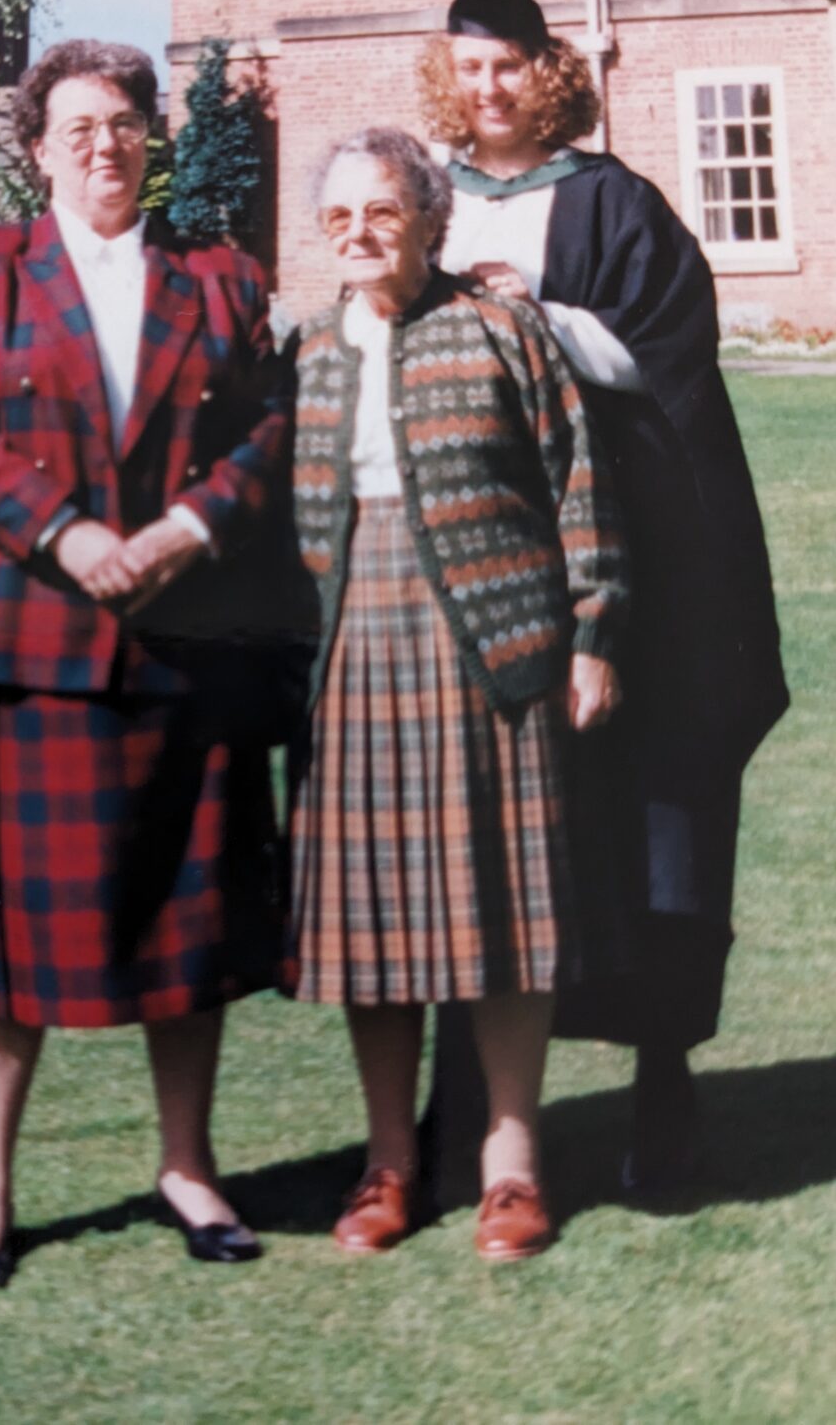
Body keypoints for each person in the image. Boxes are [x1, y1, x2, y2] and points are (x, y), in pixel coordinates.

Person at [0, 38, 297, 1288]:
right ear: (35, 148)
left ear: (149, 136)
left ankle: (188, 1165)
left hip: (183, 638)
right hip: (20, 645)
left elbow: (272, 426)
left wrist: (186, 529)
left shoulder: (223, 279)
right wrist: (67, 534)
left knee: (188, 929)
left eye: (122, 122)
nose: (103, 145)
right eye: (75, 127)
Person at [419, 0, 789, 1190]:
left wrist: (538, 322)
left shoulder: (610, 199)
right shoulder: (422, 198)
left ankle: (663, 1093)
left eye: (509, 65)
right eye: (469, 67)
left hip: (629, 549)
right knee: (486, 817)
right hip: (479, 553)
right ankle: (461, 1101)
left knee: (657, 810)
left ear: (545, 72)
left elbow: (671, 349)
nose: (488, 88)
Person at [288, 127, 629, 1260]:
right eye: (339, 217)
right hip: (349, 653)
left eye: (383, 211)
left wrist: (592, 631)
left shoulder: (497, 329)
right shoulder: (303, 352)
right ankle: (389, 1165)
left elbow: (577, 477)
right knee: (371, 924)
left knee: (504, 918)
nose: (361, 234)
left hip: (494, 647)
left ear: (431, 220)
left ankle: (509, 1166)